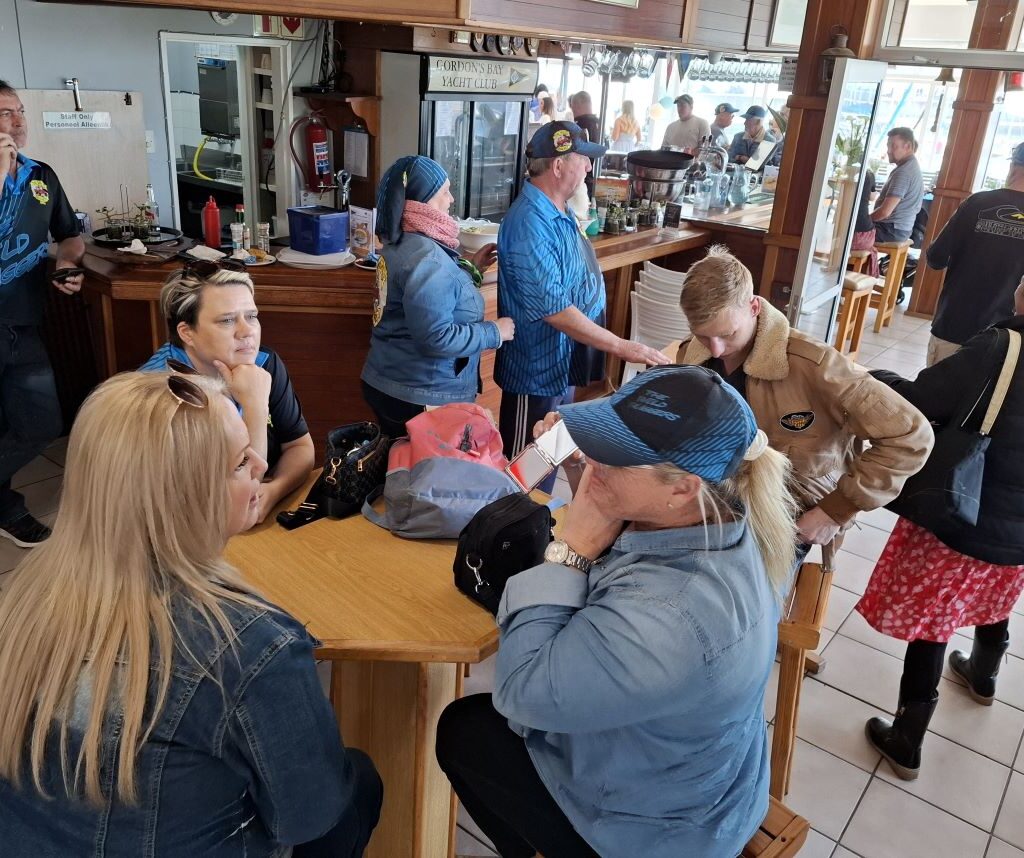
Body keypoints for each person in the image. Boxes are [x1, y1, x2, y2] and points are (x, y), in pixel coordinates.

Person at [0, 370, 382, 856]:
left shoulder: (25, 594)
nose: (261, 464)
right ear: (184, 495)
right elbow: (309, 816)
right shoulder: (253, 648)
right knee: (359, 782)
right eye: (241, 462)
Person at [436, 365, 797, 858]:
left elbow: (521, 693)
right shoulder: (725, 509)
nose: (592, 456)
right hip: (705, 776)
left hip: (665, 829)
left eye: (614, 456)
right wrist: (590, 478)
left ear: (681, 487)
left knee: (464, 732)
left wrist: (573, 546)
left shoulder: (672, 615)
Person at [859, 278, 1024, 781]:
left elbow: (919, 402)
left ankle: (907, 737)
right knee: (997, 589)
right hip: (1019, 530)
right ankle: (984, 673)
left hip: (970, 510)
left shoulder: (1002, 347)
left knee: (935, 618)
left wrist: (873, 376)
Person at [672, 246, 932, 554]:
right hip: (718, 500)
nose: (715, 350)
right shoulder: (691, 355)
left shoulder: (817, 366)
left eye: (728, 334)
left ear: (754, 307)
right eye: (703, 336)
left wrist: (834, 512)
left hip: (795, 513)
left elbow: (911, 435)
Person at [495, 122, 669, 474]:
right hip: (537, 372)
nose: (590, 167)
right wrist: (622, 346)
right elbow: (554, 309)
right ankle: (514, 523)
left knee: (552, 455)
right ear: (558, 166)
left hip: (563, 365)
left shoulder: (558, 208)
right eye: (583, 160)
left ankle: (541, 523)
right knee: (525, 469)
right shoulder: (530, 221)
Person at [141, 263, 314, 525]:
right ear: (187, 332)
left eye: (252, 316)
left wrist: (273, 491)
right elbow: (234, 507)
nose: (247, 331)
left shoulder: (263, 363)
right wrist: (255, 406)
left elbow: (300, 447)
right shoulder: (162, 393)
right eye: (227, 320)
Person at [361, 155, 514, 439]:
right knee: (422, 478)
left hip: (393, 384)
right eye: (444, 192)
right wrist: (495, 332)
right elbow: (436, 337)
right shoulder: (428, 258)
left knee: (399, 471)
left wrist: (472, 270)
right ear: (423, 201)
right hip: (420, 394)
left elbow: (435, 296)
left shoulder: (402, 243)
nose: (451, 199)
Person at [0, 80, 84, 548]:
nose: (17, 121)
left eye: (20, 111)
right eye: (4, 113)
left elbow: (70, 235)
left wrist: (68, 263)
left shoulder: (41, 176)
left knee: (40, 424)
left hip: (25, 323)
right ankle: (9, 509)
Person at [923, 141, 1024, 366]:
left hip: (953, 325)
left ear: (1013, 168)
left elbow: (935, 258)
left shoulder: (977, 203)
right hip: (1004, 340)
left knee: (934, 400)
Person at [871, 126, 924, 245]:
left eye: (893, 146)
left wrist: (864, 220)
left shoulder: (903, 172)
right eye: (888, 146)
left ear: (908, 146)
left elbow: (885, 212)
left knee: (846, 231)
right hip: (901, 230)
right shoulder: (912, 167)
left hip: (890, 230)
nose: (888, 151)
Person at [569, 92, 601, 197]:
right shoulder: (600, 124)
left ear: (577, 106)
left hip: (582, 182)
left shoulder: (579, 127)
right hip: (596, 179)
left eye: (572, 108)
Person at [850, 168, 879, 276]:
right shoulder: (869, 174)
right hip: (864, 236)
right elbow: (872, 197)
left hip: (849, 234)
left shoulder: (851, 173)